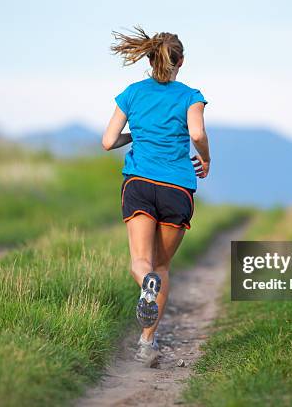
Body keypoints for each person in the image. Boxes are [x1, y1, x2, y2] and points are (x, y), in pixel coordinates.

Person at [101, 26, 211, 367]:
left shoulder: (132, 93)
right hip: (177, 187)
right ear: (182, 62)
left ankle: (143, 283)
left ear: (149, 59)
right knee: (162, 265)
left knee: (142, 262)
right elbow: (196, 132)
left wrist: (138, 134)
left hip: (139, 184)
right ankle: (147, 342)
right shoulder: (190, 95)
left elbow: (108, 141)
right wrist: (205, 158)